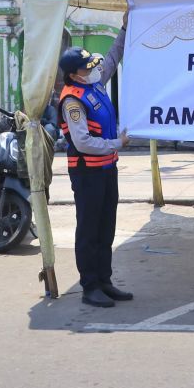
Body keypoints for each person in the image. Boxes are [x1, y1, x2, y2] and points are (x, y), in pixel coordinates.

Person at [57, 18, 131, 308]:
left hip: (107, 169)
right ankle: (90, 285)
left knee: (106, 227)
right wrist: (118, 144)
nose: (93, 70)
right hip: (88, 174)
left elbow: (112, 58)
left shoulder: (95, 84)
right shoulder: (72, 101)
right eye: (87, 68)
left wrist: (124, 28)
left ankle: (104, 280)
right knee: (89, 229)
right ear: (74, 74)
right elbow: (83, 142)